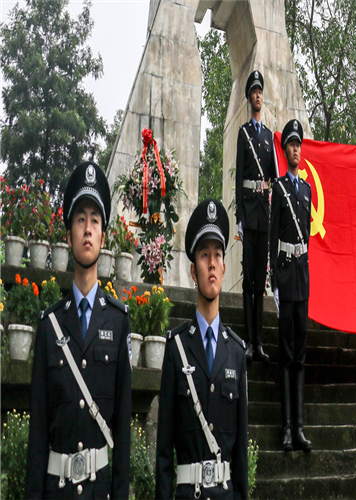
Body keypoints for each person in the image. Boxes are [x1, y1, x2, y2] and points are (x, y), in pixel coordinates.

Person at [25, 162, 132, 499]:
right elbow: (38, 434)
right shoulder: (49, 326)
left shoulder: (118, 321)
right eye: (80, 219)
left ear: (103, 236)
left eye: (95, 220)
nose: (88, 229)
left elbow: (123, 433)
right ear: (69, 234)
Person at [155, 199, 249, 499]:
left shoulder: (236, 352)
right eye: (204, 254)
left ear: (223, 267)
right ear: (194, 271)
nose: (211, 262)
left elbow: (241, 457)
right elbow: (164, 454)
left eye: (218, 254)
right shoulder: (177, 347)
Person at [270, 119, 313, 452]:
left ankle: (299, 427)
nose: (296, 149)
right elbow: (274, 237)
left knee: (300, 355)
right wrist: (274, 280)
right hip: (285, 275)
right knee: (285, 355)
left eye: (299, 145)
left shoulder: (307, 190)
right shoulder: (280, 188)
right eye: (292, 145)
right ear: (285, 151)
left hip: (302, 275)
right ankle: (286, 427)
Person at [235, 69, 275, 365]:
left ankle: (259, 342)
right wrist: (238, 214)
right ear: (249, 97)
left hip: (264, 212)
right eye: (254, 92)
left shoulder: (268, 137)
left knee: (260, 279)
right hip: (248, 211)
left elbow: (273, 176)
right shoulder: (244, 134)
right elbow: (239, 177)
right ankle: (248, 340)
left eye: (261, 92)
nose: (258, 96)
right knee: (249, 278)